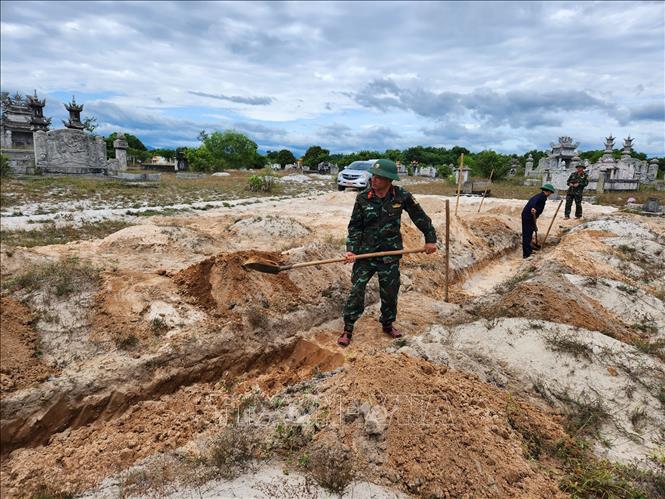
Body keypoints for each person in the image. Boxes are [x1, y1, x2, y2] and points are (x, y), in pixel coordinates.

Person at [337, 159, 437, 347]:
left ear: (389, 179)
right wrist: (351, 251)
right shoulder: (362, 198)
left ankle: (388, 324)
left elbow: (420, 217)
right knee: (356, 290)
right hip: (365, 255)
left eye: (379, 177)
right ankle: (348, 328)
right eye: (373, 176)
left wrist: (430, 239)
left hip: (390, 254)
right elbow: (355, 227)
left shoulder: (401, 196)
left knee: (390, 292)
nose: (373, 180)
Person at [521, 183, 555, 259]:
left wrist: (534, 224)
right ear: (548, 191)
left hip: (531, 217)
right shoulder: (540, 196)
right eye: (551, 192)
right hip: (528, 216)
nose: (550, 194)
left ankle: (529, 249)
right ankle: (526, 254)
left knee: (531, 231)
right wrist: (533, 208)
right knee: (527, 234)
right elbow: (533, 202)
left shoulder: (542, 197)